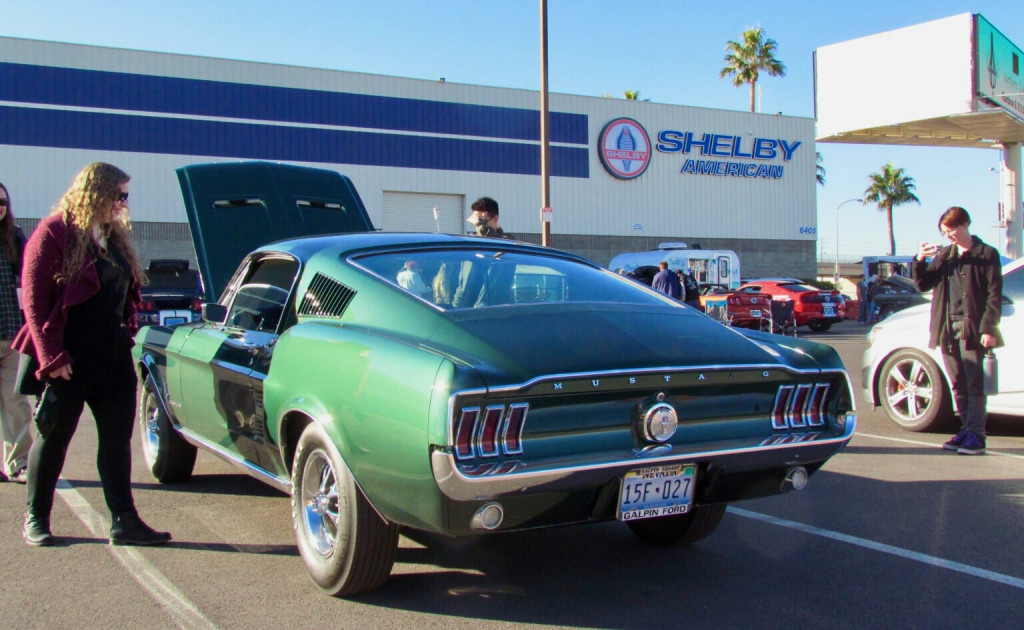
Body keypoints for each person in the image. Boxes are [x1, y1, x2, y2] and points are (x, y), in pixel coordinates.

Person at [13, 162, 171, 546]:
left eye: (125, 196)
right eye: (118, 195)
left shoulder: (114, 237)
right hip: (69, 358)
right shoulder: (54, 233)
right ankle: (36, 518)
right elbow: (33, 301)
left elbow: (122, 296)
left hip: (113, 356)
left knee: (116, 443)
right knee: (53, 438)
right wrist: (52, 357)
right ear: (95, 192)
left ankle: (124, 521)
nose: (123, 204)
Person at [913, 206, 1002, 456]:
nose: (948, 235)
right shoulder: (946, 256)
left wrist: (989, 327)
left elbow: (994, 293)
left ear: (965, 225)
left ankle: (977, 435)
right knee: (957, 382)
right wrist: (920, 259)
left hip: (972, 327)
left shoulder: (987, 254)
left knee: (975, 383)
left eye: (951, 229)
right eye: (944, 232)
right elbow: (923, 284)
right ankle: (966, 429)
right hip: (947, 326)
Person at [0, 181, 33, 485]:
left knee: (16, 401)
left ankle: (18, 463)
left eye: (2, 202)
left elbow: (28, 282)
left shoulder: (15, 237)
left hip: (10, 333)